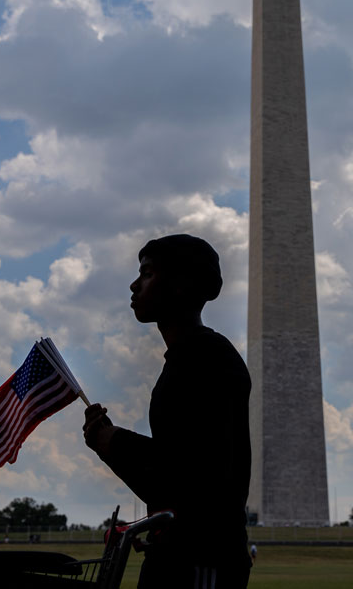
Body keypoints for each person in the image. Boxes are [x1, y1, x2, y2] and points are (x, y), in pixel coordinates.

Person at [83, 234, 252, 588]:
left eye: (147, 273)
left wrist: (112, 442)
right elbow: (179, 475)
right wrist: (161, 526)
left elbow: (194, 476)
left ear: (180, 284)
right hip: (181, 556)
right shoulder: (190, 357)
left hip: (202, 562)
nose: (134, 285)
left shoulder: (207, 360)